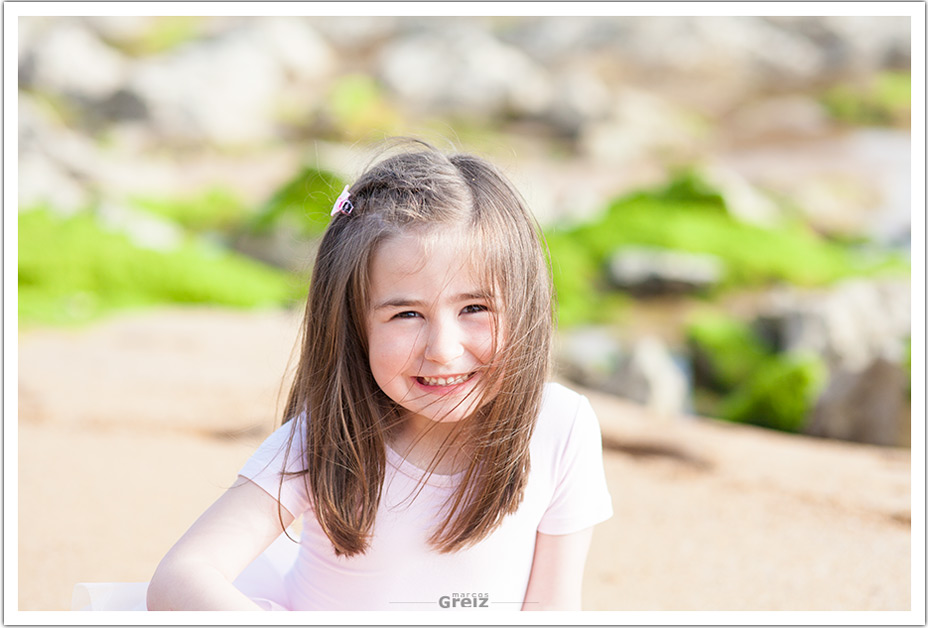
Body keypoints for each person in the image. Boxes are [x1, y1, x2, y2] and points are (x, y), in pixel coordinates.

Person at [79, 141, 612, 612]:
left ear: (524, 305)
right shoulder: (327, 440)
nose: (444, 351)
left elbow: (552, 606)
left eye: (474, 307)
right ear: (353, 326)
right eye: (406, 314)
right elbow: (181, 577)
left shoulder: (560, 427)